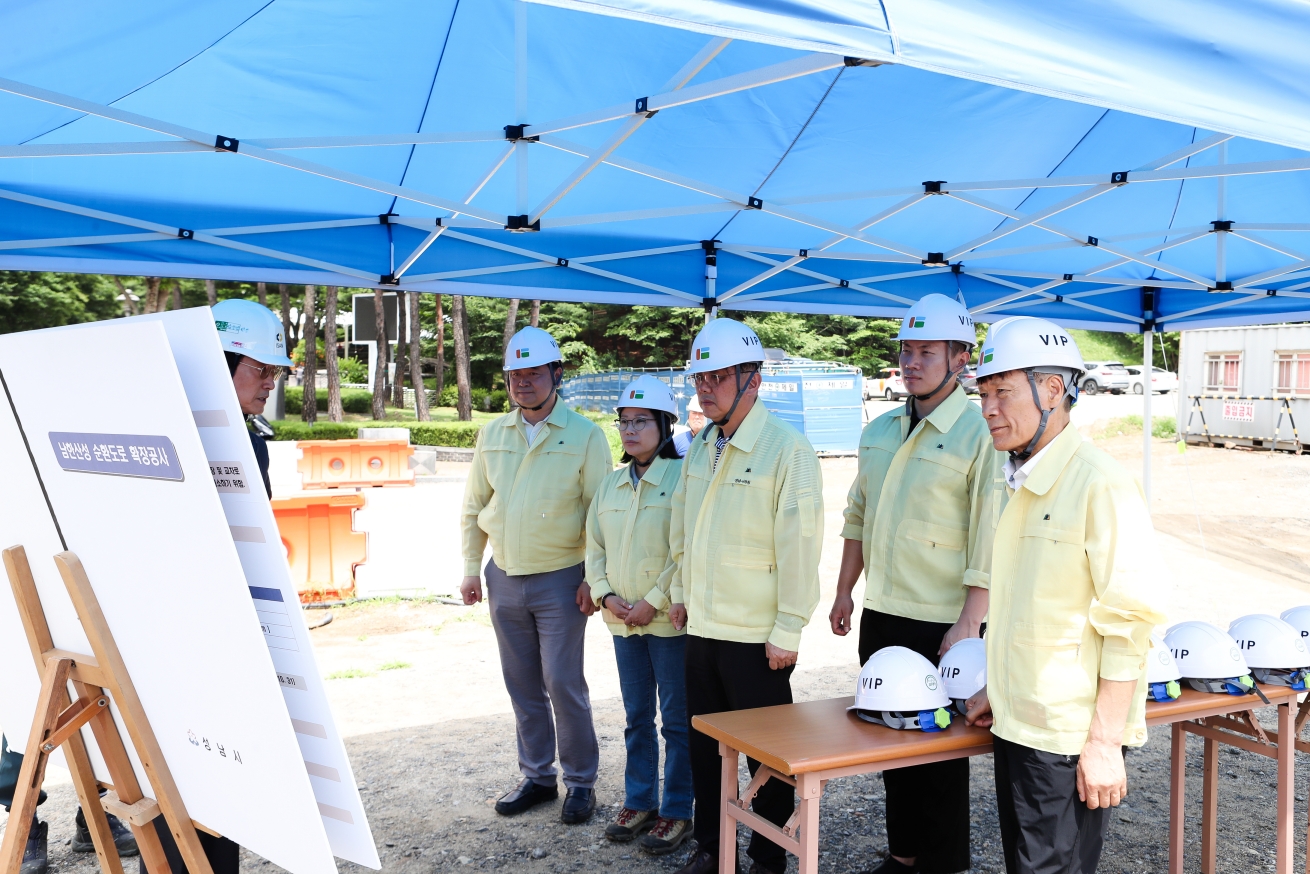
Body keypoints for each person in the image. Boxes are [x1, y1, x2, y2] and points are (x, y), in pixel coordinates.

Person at [964, 317, 1165, 874]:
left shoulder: (1099, 483)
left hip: (1067, 739)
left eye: (1002, 391)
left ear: (1053, 390)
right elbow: (1031, 611)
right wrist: (998, 688)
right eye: (984, 393)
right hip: (1019, 723)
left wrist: (1103, 743)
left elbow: (1130, 622)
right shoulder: (1023, 480)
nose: (988, 408)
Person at [828, 294, 1001, 874]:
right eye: (906, 350)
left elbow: (988, 534)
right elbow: (857, 516)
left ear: (960, 359)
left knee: (940, 753)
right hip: (883, 614)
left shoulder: (980, 434)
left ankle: (943, 863)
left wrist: (970, 622)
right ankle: (902, 856)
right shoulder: (879, 430)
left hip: (944, 620)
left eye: (927, 351)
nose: (912, 361)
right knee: (888, 739)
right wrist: (845, 590)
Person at [670, 318, 824, 874]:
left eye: (716, 376)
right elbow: (685, 530)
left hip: (756, 638)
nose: (703, 387)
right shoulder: (702, 445)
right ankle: (714, 847)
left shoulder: (788, 449)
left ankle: (769, 855)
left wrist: (789, 627)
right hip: (703, 629)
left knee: (767, 755)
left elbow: (802, 545)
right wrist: (681, 592)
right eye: (699, 377)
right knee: (707, 750)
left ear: (752, 379)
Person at [460, 326, 614, 824]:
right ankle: (538, 777)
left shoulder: (586, 435)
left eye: (533, 372)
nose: (523, 382)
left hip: (562, 579)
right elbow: (473, 507)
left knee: (563, 681)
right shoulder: (492, 433)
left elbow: (599, 513)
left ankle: (581, 783)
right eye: (515, 374)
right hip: (503, 576)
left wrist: (595, 577)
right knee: (522, 682)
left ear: (556, 374)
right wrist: (470, 569)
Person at [585, 375, 693, 855]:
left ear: (665, 424)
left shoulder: (683, 478)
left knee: (676, 720)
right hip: (621, 623)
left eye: (640, 422)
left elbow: (685, 550)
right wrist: (606, 596)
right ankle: (640, 800)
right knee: (635, 717)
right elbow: (595, 549)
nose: (630, 431)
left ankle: (677, 810)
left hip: (664, 622)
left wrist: (653, 598)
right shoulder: (610, 484)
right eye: (624, 422)